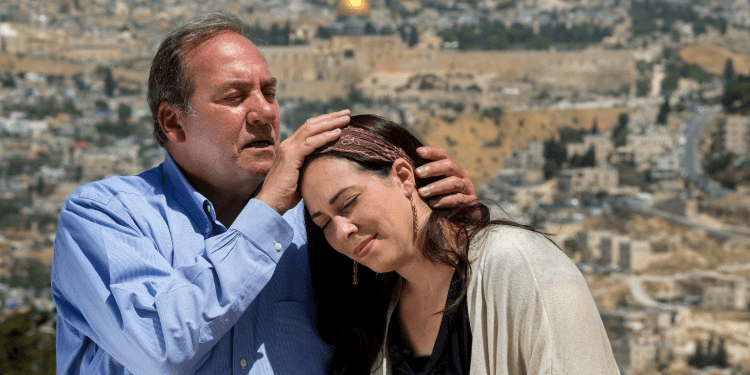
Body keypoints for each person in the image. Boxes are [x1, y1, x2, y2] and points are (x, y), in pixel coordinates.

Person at [51, 11, 477, 374]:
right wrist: (267, 210)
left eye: (268, 93)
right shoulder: (105, 215)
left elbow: (405, 311)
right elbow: (159, 350)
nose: (264, 112)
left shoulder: (320, 221)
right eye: (235, 96)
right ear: (173, 123)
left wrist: (440, 220)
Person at [299, 115, 621, 375]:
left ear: (403, 177)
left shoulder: (515, 261)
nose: (341, 231)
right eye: (324, 222)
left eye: (349, 202)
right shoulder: (381, 311)